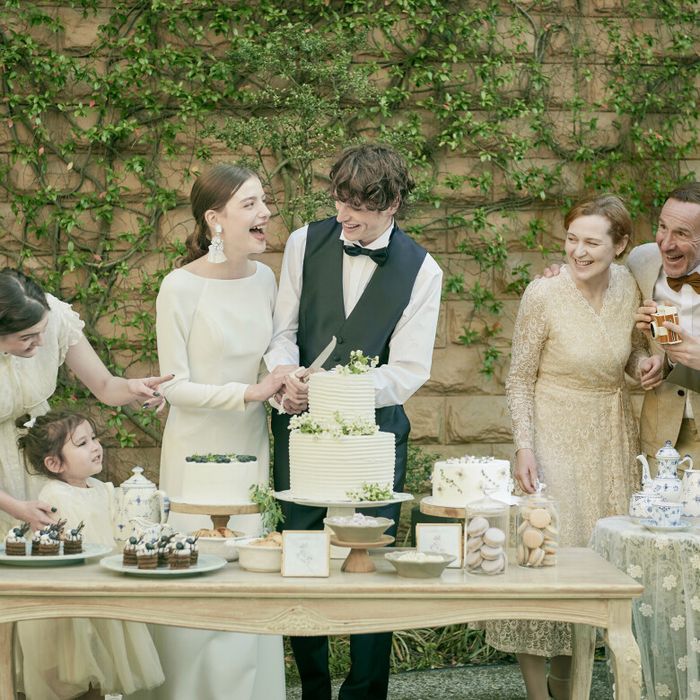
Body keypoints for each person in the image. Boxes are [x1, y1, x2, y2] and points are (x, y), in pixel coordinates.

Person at [265, 143, 442, 700]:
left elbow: (408, 371)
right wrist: (286, 376)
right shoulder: (304, 242)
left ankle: (365, 692)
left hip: (376, 435)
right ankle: (311, 688)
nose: (343, 215)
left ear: (392, 204)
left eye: (358, 207)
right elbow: (282, 333)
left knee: (373, 563)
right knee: (301, 556)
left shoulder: (423, 270)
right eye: (339, 201)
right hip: (300, 430)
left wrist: (337, 389)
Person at [484, 195, 663, 700]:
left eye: (591, 242)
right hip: (554, 434)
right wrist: (524, 447)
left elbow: (628, 356)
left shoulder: (630, 286)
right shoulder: (543, 294)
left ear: (620, 246)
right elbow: (519, 378)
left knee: (595, 565)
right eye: (571, 239)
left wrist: (645, 367)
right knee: (546, 556)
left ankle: (569, 688)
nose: (578, 252)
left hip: (611, 436)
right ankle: (537, 693)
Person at [136, 164, 289, 700]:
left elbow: (272, 355)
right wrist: (250, 392)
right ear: (214, 219)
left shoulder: (266, 279)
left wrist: (283, 384)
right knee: (195, 572)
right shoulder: (178, 287)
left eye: (263, 201)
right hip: (194, 451)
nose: (265, 212)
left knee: (249, 571)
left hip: (250, 447)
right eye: (250, 204)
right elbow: (175, 386)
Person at [0, 268, 171, 532]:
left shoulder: (52, 315)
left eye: (42, 330)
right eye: (26, 337)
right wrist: (15, 507)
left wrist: (132, 388)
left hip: (41, 458)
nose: (41, 342)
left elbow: (105, 385)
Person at [14, 410, 165, 700]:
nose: (95, 447)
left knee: (100, 666)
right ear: (54, 463)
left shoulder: (100, 488)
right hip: (71, 602)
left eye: (94, 438)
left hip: (103, 589)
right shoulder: (55, 496)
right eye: (82, 443)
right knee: (75, 670)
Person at [629, 182, 700, 459]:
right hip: (659, 442)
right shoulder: (642, 261)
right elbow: (594, 279)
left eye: (681, 233)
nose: (666, 243)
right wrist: (652, 364)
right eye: (662, 227)